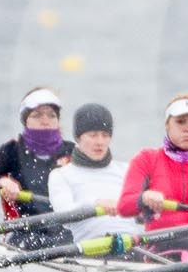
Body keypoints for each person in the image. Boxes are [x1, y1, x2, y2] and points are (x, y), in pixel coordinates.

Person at [0, 86, 74, 248]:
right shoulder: (11, 151)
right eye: (37, 115)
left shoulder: (73, 152)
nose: (46, 120)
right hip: (23, 232)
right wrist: (0, 181)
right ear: (25, 120)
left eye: (52, 115)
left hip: (67, 231)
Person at [118, 94, 188, 255]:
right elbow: (124, 207)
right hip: (162, 242)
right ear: (167, 124)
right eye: (180, 122)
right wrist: (144, 197)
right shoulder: (147, 159)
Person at [46, 103, 140, 244]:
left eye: (105, 135)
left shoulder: (127, 170)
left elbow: (145, 214)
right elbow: (63, 215)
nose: (100, 142)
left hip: (133, 245)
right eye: (93, 135)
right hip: (91, 250)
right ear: (78, 138)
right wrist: (95, 203)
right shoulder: (61, 175)